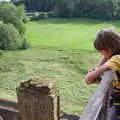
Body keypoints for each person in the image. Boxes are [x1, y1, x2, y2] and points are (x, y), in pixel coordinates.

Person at [85, 28, 120, 120]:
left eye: (101, 51)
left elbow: (89, 78)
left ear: (108, 49)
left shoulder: (116, 59)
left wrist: (96, 71)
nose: (101, 55)